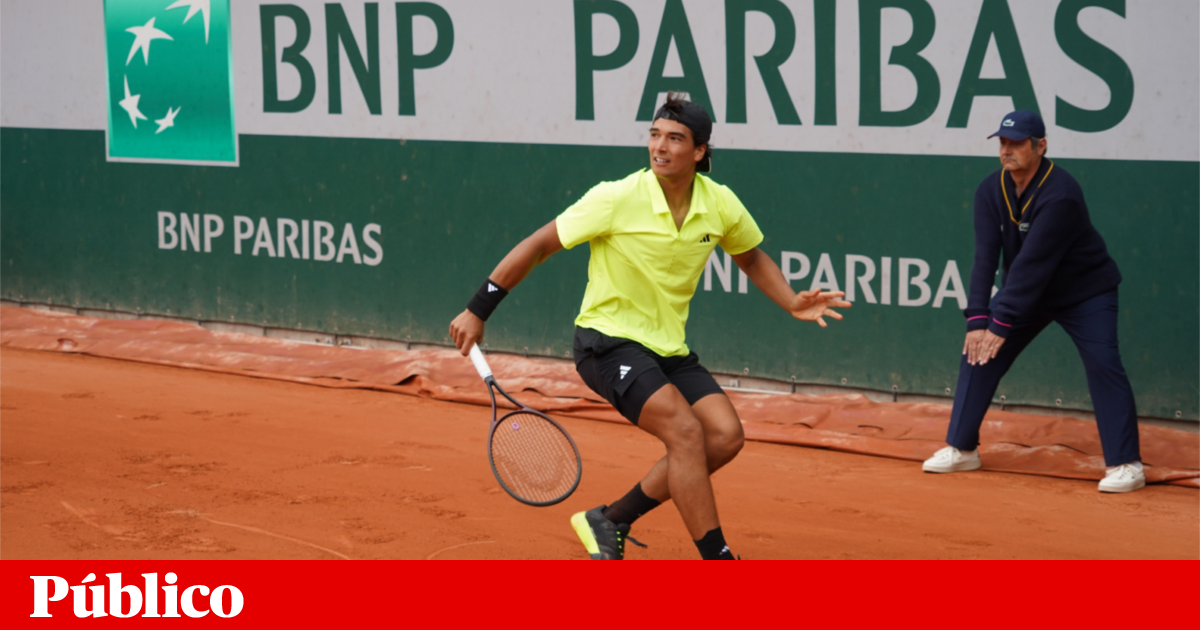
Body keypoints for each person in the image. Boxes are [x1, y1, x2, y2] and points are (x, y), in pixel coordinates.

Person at [449, 93, 850, 559]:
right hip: (607, 342)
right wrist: (479, 308)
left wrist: (791, 302)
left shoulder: (719, 203)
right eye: (654, 135)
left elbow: (750, 254)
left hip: (667, 348)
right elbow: (539, 244)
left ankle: (610, 519)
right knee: (684, 431)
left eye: (675, 138)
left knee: (724, 437)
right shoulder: (616, 197)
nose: (660, 147)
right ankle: (718, 558)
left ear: (699, 151)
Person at [922, 110, 1144, 492]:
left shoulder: (1062, 194)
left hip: (1084, 292)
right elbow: (984, 259)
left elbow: (1032, 266)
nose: (1007, 150)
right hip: (1028, 294)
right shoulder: (989, 190)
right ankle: (962, 449)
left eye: (1017, 143)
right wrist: (977, 320)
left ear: (1040, 146)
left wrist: (1001, 321)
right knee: (978, 350)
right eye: (1003, 143)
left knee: (1104, 362)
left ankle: (1127, 464)